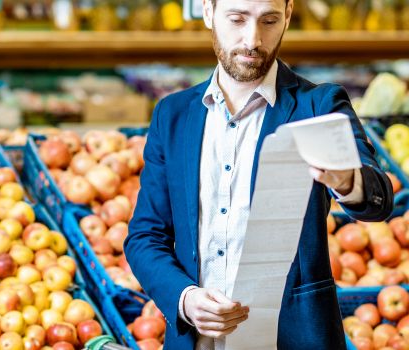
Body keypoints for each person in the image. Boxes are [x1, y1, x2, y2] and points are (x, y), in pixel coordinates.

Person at [123, 0, 394, 348]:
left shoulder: (319, 105)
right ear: (208, 11)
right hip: (198, 340)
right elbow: (145, 237)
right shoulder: (172, 116)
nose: (252, 40)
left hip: (295, 337)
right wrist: (185, 298)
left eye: (269, 21)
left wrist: (348, 181)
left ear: (288, 15)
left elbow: (379, 200)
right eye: (236, 19)